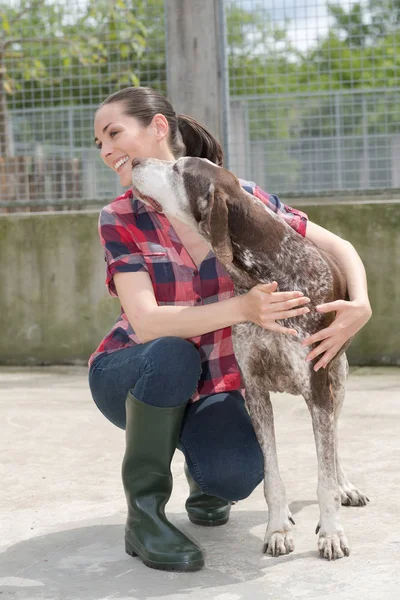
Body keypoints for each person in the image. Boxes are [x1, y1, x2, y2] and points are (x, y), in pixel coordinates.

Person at [89, 86, 372, 572]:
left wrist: (361, 304)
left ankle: (205, 477)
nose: (106, 149)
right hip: (134, 372)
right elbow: (149, 321)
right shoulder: (119, 218)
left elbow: (338, 244)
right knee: (172, 353)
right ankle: (145, 515)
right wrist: (244, 308)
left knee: (236, 473)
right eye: (98, 143)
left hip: (214, 385)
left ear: (158, 128)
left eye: (114, 133)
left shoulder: (234, 195)